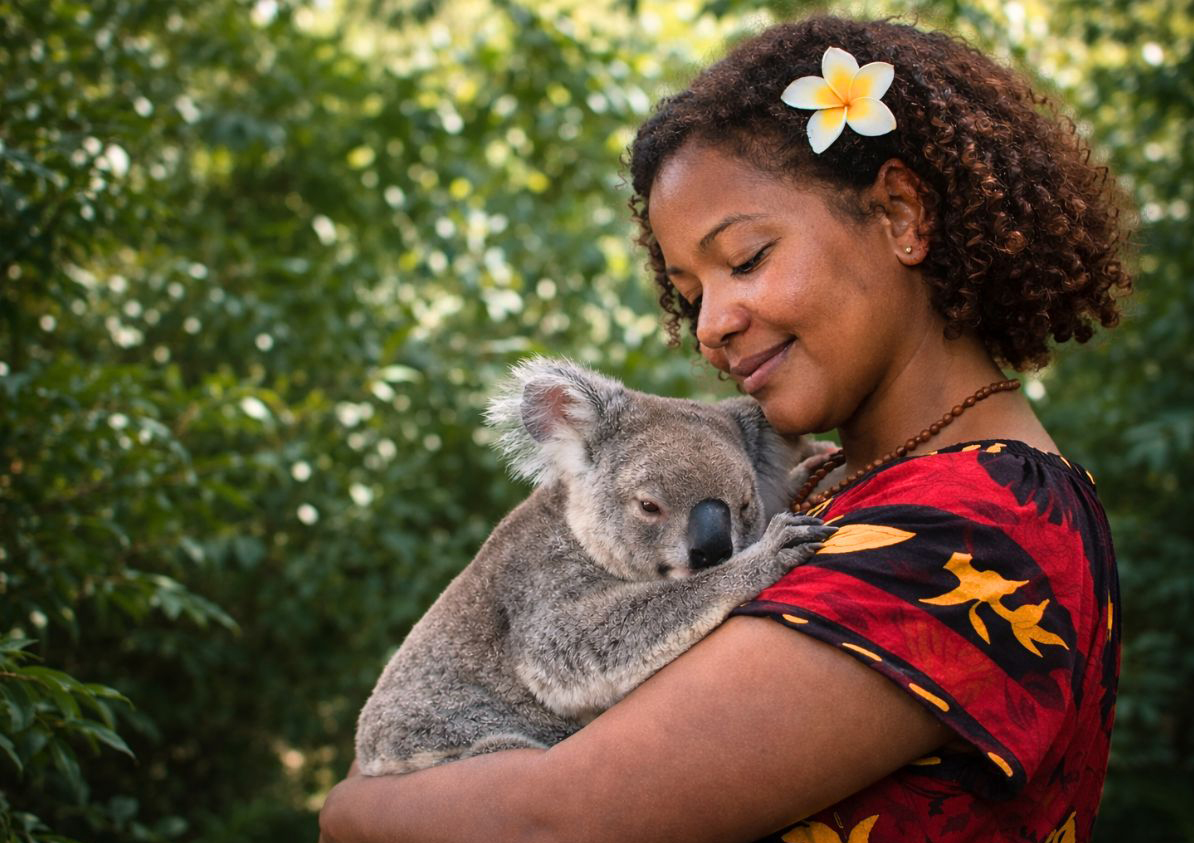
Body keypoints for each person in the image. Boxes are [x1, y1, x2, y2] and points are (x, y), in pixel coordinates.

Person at [319, 15, 1129, 843]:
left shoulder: (982, 525)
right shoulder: (831, 483)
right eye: (689, 291)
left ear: (899, 215)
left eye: (744, 259)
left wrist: (351, 812)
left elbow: (560, 824)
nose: (711, 325)